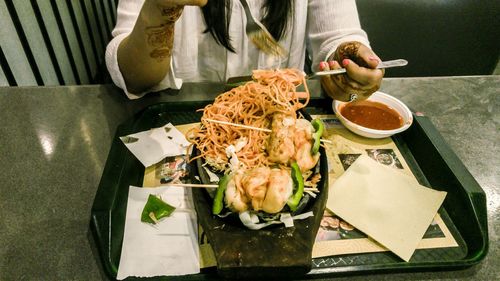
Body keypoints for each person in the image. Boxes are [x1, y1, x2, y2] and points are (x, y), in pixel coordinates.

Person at [106, 0, 384, 101]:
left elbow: (338, 36)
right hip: (181, 123)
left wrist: (347, 70)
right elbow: (133, 77)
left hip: (283, 117)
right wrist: (159, 9)